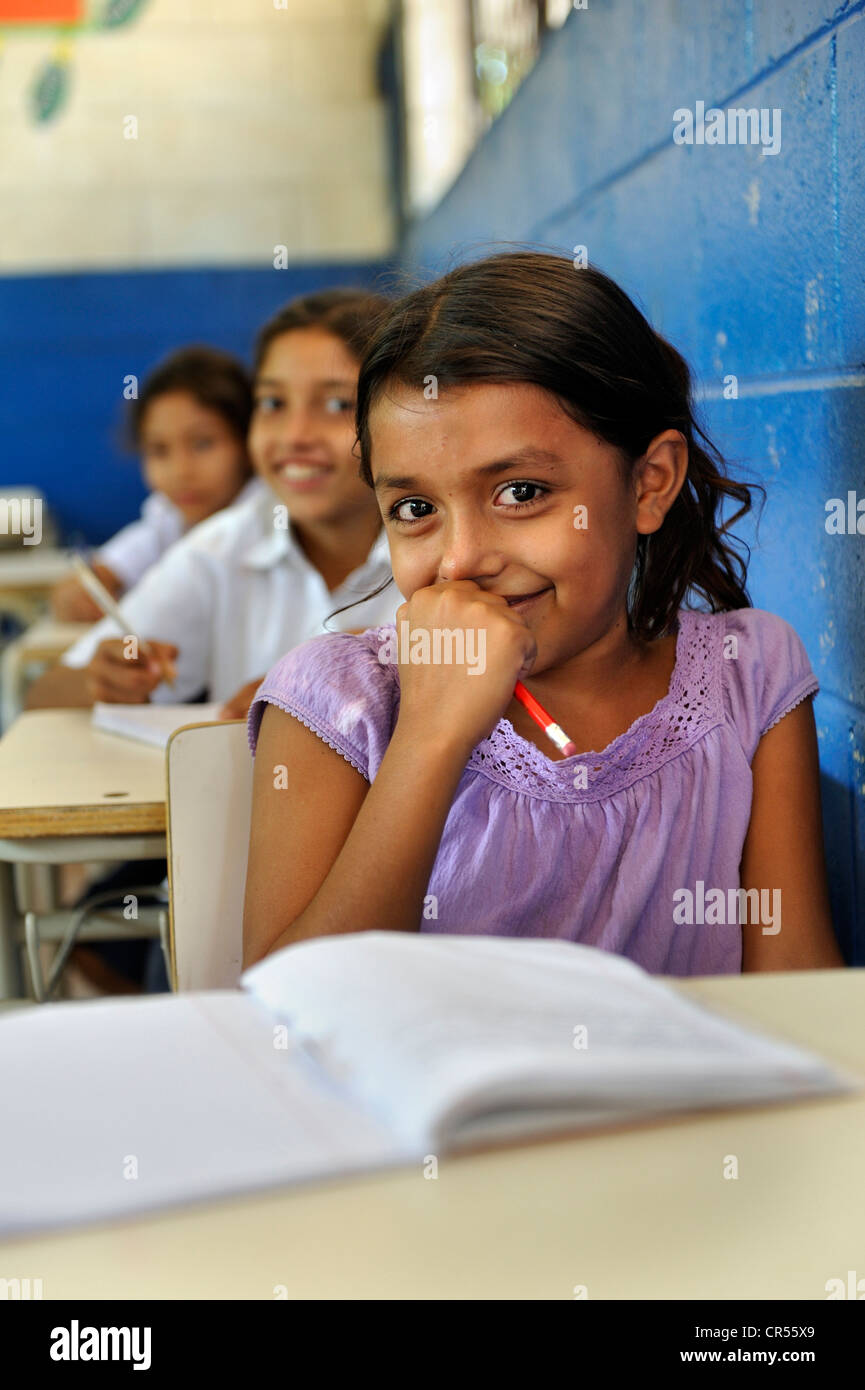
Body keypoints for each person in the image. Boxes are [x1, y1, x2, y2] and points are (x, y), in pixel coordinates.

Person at [243, 251, 844, 977]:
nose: (460, 559)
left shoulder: (748, 678)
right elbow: (287, 1007)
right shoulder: (340, 702)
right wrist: (431, 736)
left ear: (649, 484)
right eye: (414, 509)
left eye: (521, 493)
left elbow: (797, 988)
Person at [28, 287, 399, 718]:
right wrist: (103, 680)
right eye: (273, 403)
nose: (294, 436)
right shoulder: (222, 549)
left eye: (338, 404)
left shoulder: (450, 554)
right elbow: (45, 692)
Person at [51, 345, 258, 621]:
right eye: (159, 450)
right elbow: (99, 573)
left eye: (202, 443)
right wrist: (83, 592)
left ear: (248, 443)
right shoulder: (168, 519)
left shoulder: (269, 515)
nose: (181, 471)